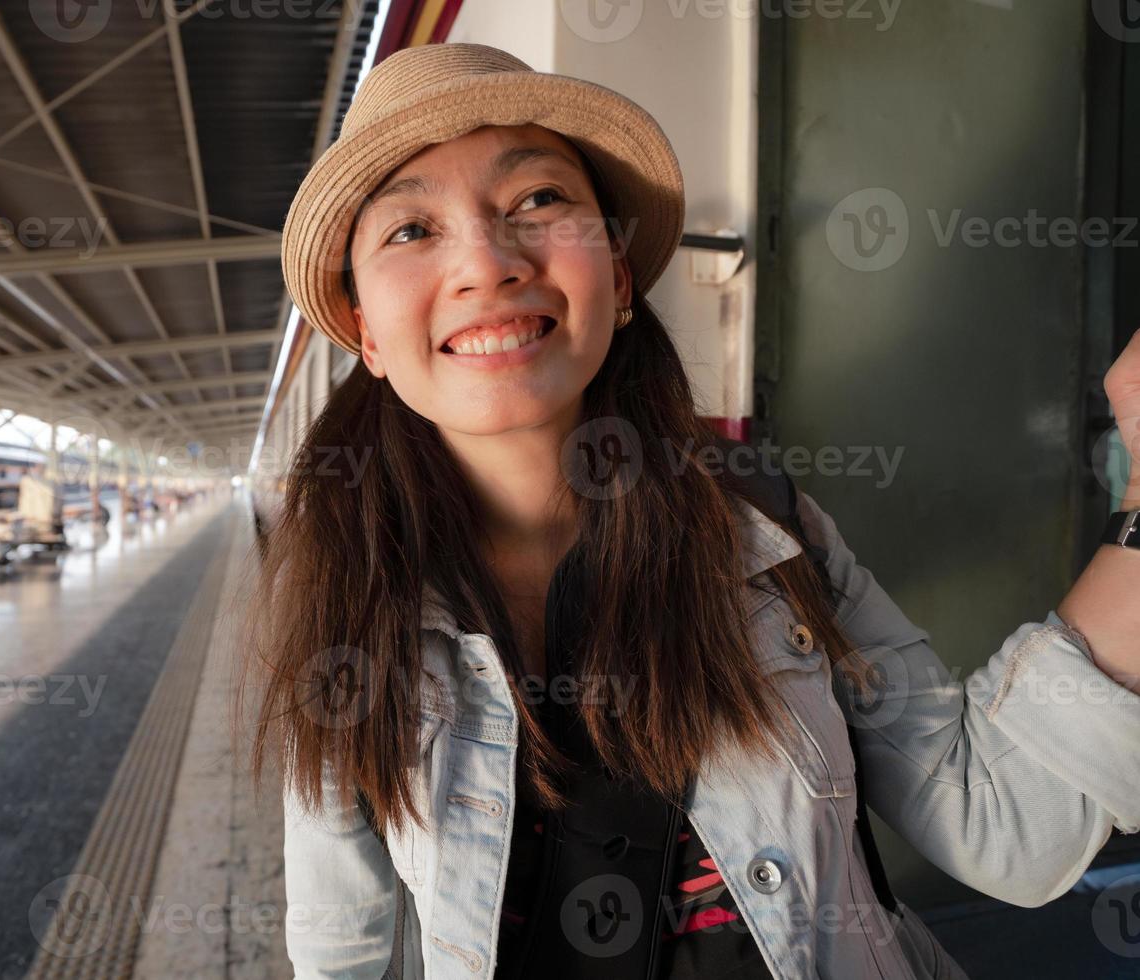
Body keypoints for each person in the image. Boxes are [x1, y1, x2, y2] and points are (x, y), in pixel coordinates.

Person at [239, 41, 1140, 980]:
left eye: (538, 201)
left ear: (620, 281)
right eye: (411, 231)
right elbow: (349, 954)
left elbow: (1003, 826)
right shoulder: (339, 603)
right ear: (365, 336)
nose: (488, 263)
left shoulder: (766, 526)